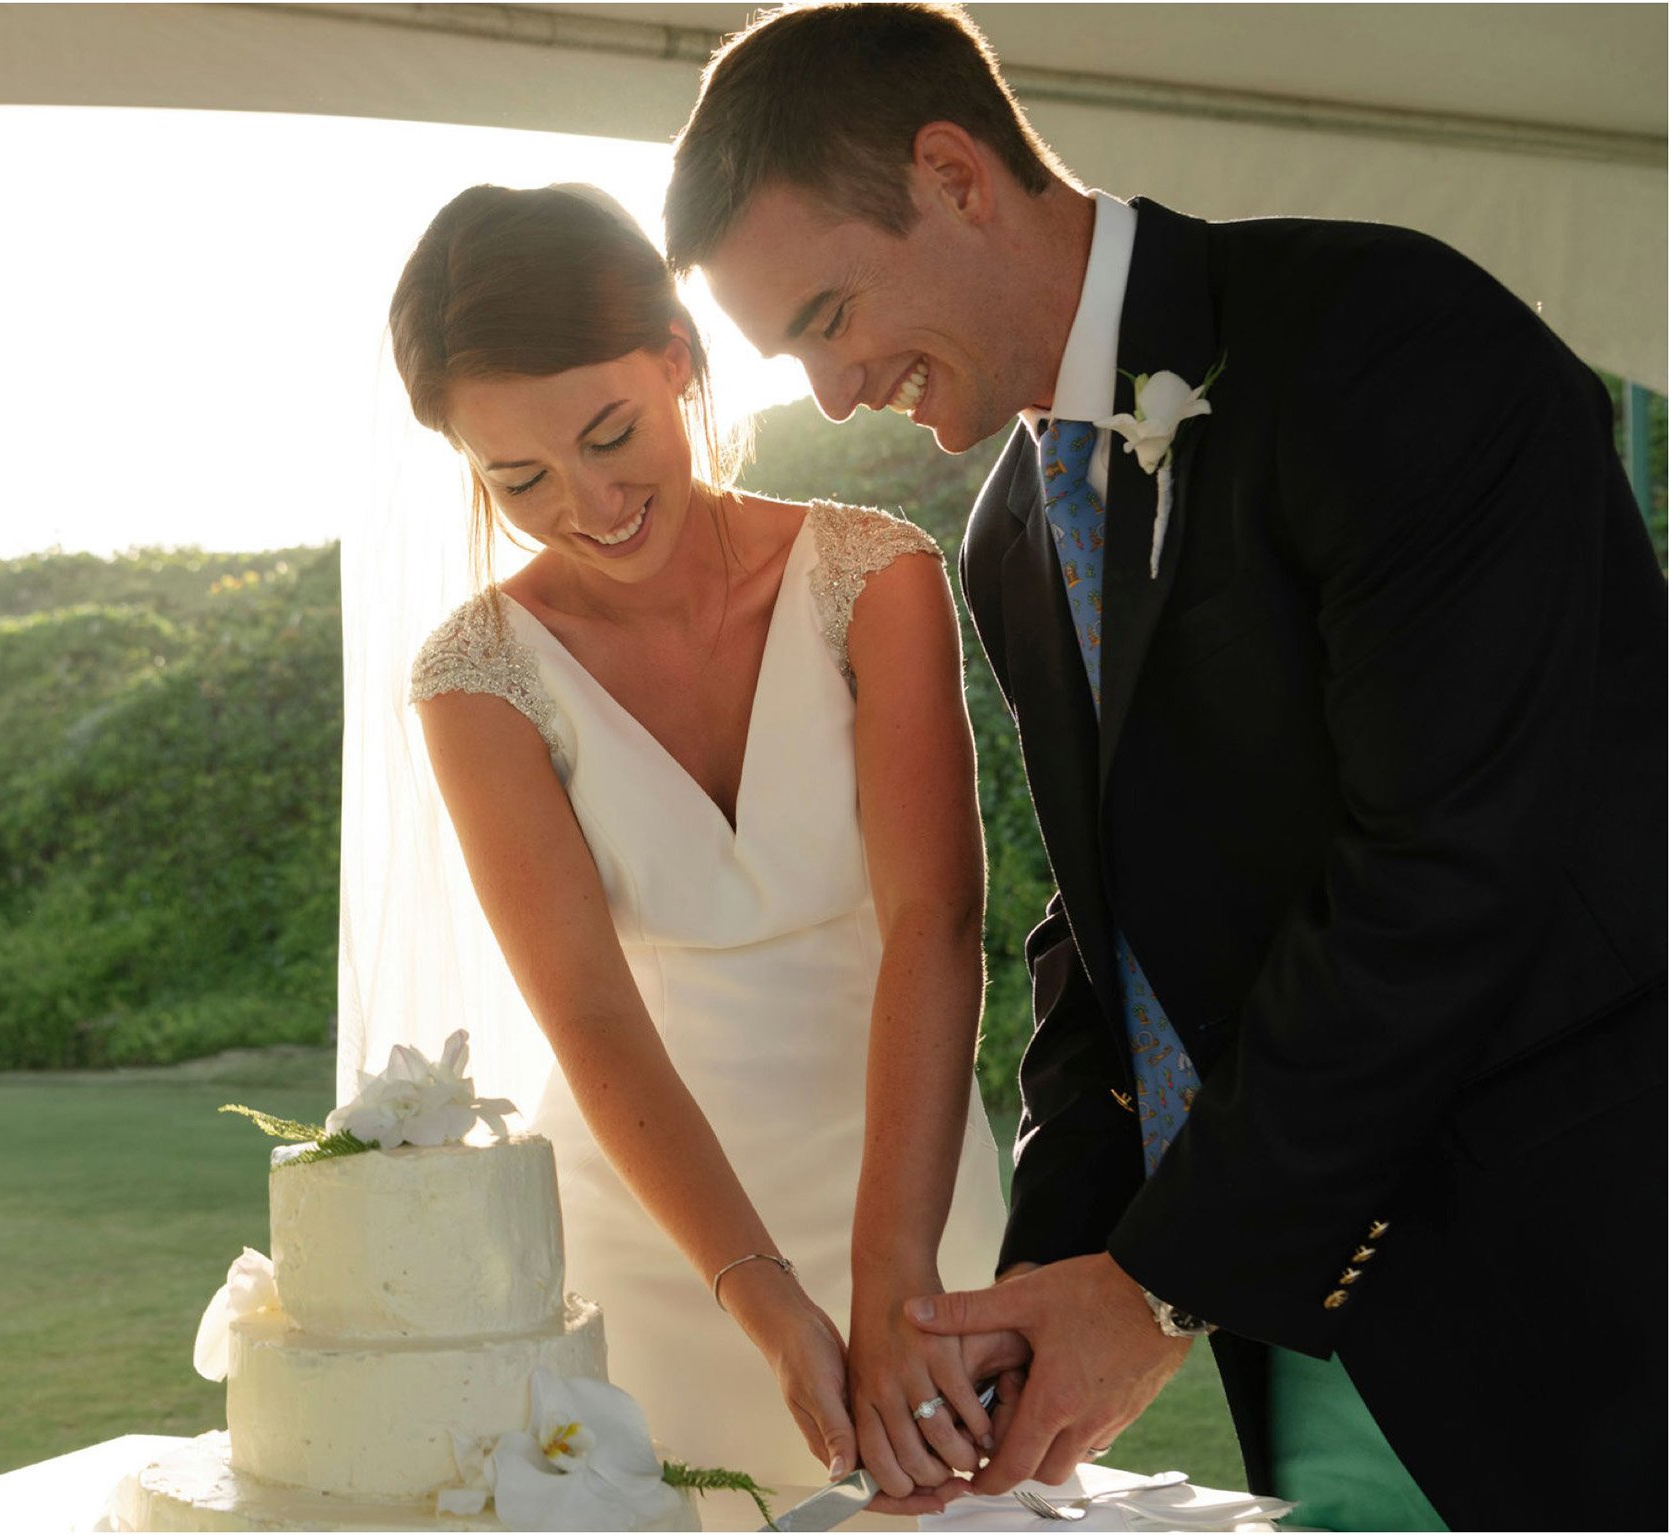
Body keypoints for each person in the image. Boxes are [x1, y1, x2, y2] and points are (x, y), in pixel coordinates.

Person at [664, 2, 1669, 1528]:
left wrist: (1154, 1285)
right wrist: (1039, 1292)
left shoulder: (1385, 338)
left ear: (954, 176)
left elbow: (1448, 866)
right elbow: (1109, 936)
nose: (836, 393)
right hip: (1297, 1316)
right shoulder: (1012, 536)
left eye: (827, 316)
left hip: (1585, 1289)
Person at [381, 181, 1007, 1489]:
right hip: (658, 1240)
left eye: (610, 434)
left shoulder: (872, 578)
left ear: (677, 357)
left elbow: (934, 921)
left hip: (910, 1196)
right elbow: (589, 1013)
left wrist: (892, 1272)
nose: (590, 501)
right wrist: (765, 1299)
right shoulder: (478, 676)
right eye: (519, 478)